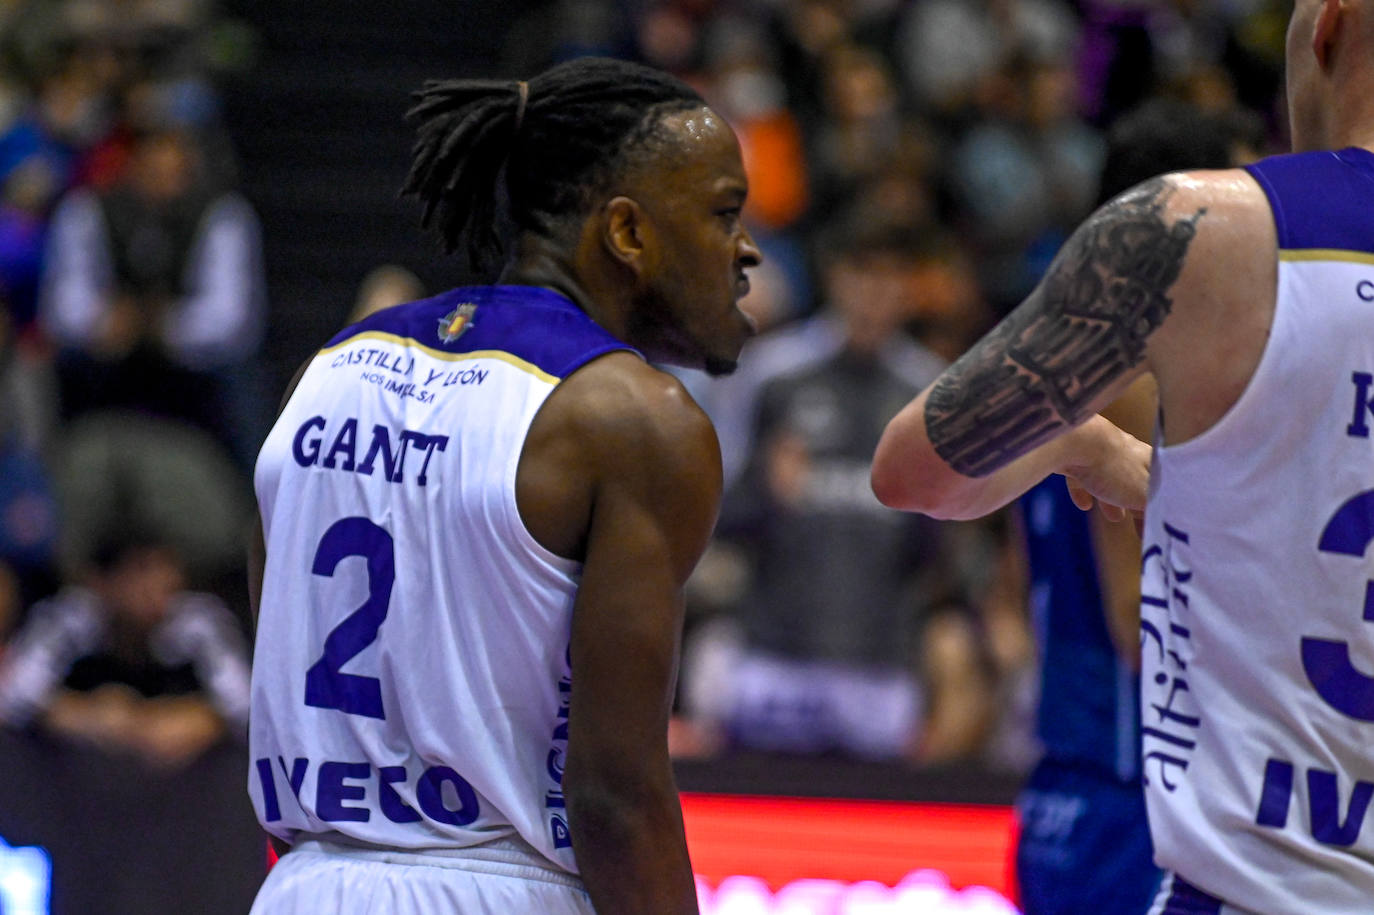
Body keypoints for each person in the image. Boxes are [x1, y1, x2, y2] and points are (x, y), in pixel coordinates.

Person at [871, 1, 1374, 910]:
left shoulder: (1202, 235)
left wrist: (1090, 442)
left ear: (1326, 26)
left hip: (1219, 855)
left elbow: (913, 470)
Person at [247, 57, 760, 915]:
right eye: (722, 212)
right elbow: (615, 795)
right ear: (626, 234)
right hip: (499, 884)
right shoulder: (636, 419)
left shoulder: (327, 369)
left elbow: (273, 677)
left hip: (306, 881)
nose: (745, 249)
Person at [1012, 96, 1266, 915]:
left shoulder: (1052, 353)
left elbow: (1012, 584)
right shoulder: (1140, 382)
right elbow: (1138, 616)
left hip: (1066, 782)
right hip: (1136, 797)